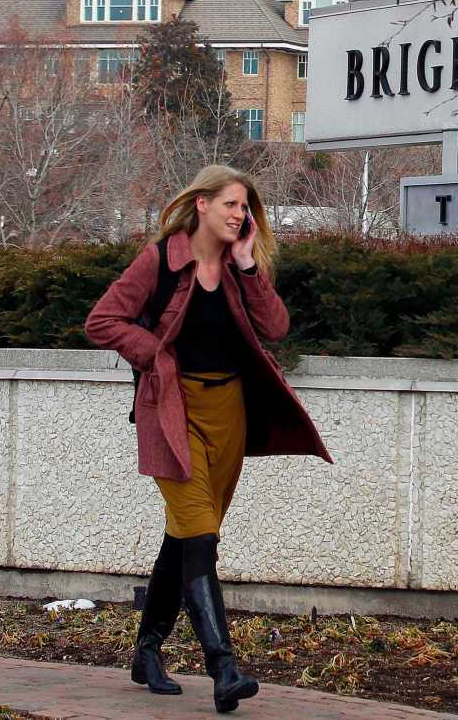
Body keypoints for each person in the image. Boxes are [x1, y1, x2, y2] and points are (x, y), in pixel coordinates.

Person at [86, 165, 333, 713]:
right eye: (231, 204)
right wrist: (154, 353)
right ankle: (223, 668)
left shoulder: (238, 268)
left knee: (187, 537)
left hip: (229, 413)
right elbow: (102, 320)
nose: (240, 215)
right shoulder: (160, 260)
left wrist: (248, 267)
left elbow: (277, 328)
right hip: (173, 408)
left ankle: (147, 651)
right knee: (199, 535)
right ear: (201, 204)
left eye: (245, 208)